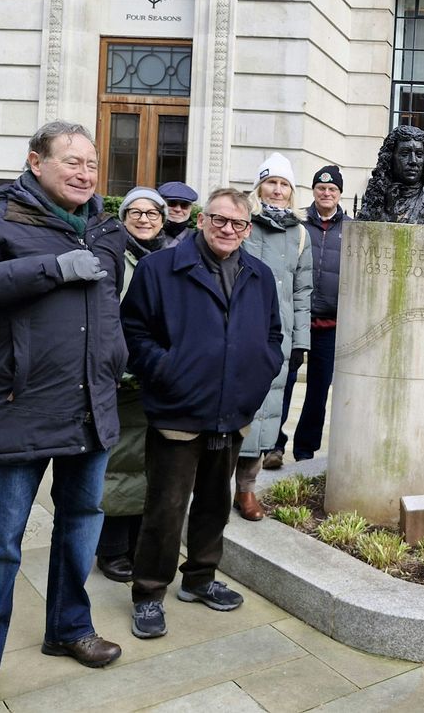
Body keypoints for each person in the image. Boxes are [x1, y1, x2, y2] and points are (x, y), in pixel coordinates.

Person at [0, 121, 126, 713]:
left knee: (80, 526)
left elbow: (107, 311)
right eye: (71, 161)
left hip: (91, 407)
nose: (85, 173)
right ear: (36, 162)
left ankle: (70, 628)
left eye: (91, 163)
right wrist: (51, 268)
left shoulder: (106, 227)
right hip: (22, 408)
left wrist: (115, 362)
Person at [121, 187, 284, 640]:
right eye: (219, 219)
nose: (228, 229)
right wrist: (167, 370)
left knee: (214, 503)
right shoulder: (160, 269)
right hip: (178, 411)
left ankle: (200, 578)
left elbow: (273, 335)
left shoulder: (259, 274)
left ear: (247, 230)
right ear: (201, 220)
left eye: (238, 223)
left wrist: (259, 374)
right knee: (166, 507)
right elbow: (133, 332)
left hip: (232, 409)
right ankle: (149, 592)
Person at [95, 187, 169, 582]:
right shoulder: (112, 256)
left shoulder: (170, 258)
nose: (144, 219)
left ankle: (138, 544)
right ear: (123, 218)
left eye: (152, 212)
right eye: (134, 212)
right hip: (121, 378)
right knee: (118, 466)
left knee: (149, 467)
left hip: (157, 377)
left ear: (162, 219)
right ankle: (110, 548)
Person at [232, 154, 312, 518]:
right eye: (271, 183)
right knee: (231, 411)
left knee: (266, 414)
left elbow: (302, 292)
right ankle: (214, 488)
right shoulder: (242, 223)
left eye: (284, 184)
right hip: (238, 330)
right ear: (259, 187)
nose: (277, 190)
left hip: (278, 336)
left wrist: (301, 343)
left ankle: (247, 489)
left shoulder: (300, 234)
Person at [266, 165, 344, 468]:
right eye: (321, 188)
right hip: (296, 321)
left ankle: (305, 450)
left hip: (330, 325)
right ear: (313, 191)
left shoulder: (350, 229)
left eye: (332, 189)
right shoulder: (297, 224)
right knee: (283, 382)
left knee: (318, 391)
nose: (326, 193)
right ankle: (274, 445)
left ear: (339, 193)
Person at [357, 124, 424, 226]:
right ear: (390, 158)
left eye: (419, 155)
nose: (413, 161)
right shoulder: (375, 201)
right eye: (405, 154)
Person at [157, 180, 199, 248]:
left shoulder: (197, 239)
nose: (178, 209)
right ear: (160, 206)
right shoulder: (149, 234)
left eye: (184, 205)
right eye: (172, 203)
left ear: (190, 209)